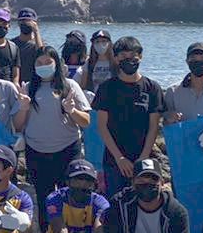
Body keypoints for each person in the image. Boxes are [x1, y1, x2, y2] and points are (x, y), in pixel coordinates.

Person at [14, 45, 92, 204]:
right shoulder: (28, 89)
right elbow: (17, 126)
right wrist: (23, 108)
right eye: (39, 63)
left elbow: (86, 121)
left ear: (56, 63)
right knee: (44, 201)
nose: (44, 66)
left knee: (71, 199)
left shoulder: (70, 85)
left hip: (68, 150)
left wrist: (72, 111)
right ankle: (46, 230)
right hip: (37, 153)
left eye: (48, 62)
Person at [91, 36, 166, 196]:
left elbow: (154, 126)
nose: (129, 60)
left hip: (144, 158)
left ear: (140, 57)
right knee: (116, 205)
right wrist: (120, 158)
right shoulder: (107, 88)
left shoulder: (152, 88)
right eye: (124, 57)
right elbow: (102, 126)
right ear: (116, 58)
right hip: (114, 160)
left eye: (133, 56)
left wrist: (143, 157)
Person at [13, 8, 43, 82]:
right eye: (22, 21)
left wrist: (36, 31)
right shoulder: (12, 44)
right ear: (18, 23)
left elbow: (42, 55)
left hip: (34, 83)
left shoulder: (39, 43)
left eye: (28, 21)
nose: (25, 24)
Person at [81, 29, 115, 95]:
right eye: (97, 42)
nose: (100, 44)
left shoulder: (116, 62)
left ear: (110, 43)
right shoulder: (89, 63)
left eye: (104, 41)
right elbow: (83, 86)